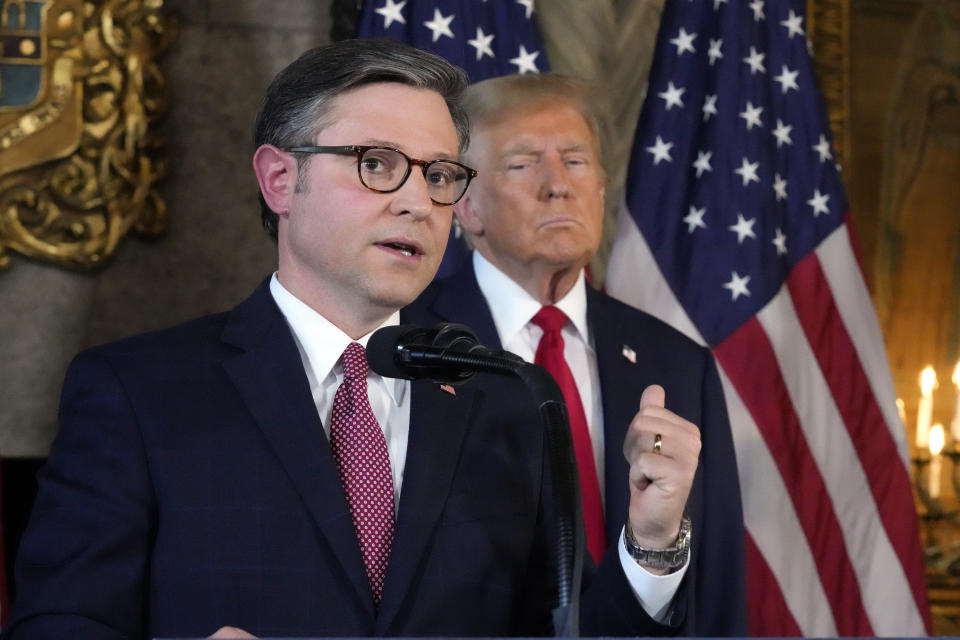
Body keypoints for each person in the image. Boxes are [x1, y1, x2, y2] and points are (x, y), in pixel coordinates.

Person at [6, 41, 700, 639]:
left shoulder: (505, 402)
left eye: (437, 175)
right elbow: (58, 623)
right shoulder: (137, 393)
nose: (415, 202)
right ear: (281, 179)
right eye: (376, 163)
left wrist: (651, 546)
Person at [406, 73, 749, 635]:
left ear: (601, 188)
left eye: (576, 161)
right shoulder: (409, 347)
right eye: (522, 165)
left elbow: (716, 588)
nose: (557, 185)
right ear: (465, 207)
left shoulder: (678, 363)